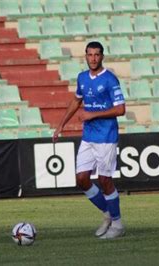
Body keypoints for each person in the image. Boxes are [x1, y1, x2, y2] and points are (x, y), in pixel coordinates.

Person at [52, 41, 126, 239]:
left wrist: (92, 115)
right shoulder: (82, 78)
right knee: (81, 179)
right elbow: (77, 101)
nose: (93, 58)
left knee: (105, 180)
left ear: (102, 57)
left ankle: (118, 225)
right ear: (85, 56)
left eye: (96, 55)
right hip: (89, 136)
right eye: (90, 54)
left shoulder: (110, 79)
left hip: (106, 136)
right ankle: (108, 213)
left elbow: (120, 109)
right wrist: (61, 124)